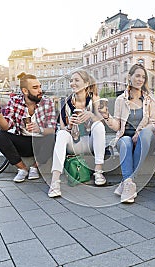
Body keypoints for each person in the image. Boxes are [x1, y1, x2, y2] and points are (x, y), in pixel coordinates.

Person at [100, 63, 155, 203]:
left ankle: (127, 182)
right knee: (125, 141)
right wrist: (107, 116)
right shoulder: (121, 100)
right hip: (125, 138)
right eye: (137, 76)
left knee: (144, 134)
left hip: (145, 139)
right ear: (129, 77)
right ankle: (129, 183)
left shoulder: (150, 99)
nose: (140, 79)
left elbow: (154, 123)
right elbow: (117, 126)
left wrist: (140, 132)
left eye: (143, 77)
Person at [0, 72, 57, 183]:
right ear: (25, 91)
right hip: (23, 142)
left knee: (52, 136)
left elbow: (52, 128)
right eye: (35, 88)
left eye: (40, 87)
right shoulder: (15, 101)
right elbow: (5, 127)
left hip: (40, 143)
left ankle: (35, 167)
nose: (40, 90)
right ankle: (22, 169)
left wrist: (39, 129)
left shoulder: (47, 102)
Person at [48, 70, 106, 198]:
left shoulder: (94, 99)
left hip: (90, 142)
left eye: (76, 80)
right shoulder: (65, 102)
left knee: (99, 126)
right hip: (74, 142)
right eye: (71, 80)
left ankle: (98, 171)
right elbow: (63, 128)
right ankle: (55, 181)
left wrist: (90, 115)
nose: (72, 83)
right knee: (61, 134)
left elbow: (102, 121)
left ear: (86, 83)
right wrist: (70, 125)